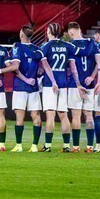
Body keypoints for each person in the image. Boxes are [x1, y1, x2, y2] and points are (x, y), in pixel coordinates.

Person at [38, 22, 80, 152]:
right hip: (64, 83)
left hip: (50, 85)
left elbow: (46, 66)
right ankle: (67, 146)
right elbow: (73, 67)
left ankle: (48, 146)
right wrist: (77, 83)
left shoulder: (45, 46)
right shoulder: (68, 46)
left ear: (49, 32)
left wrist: (53, 81)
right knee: (63, 115)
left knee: (50, 115)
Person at [4, 25, 42, 152]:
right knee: (35, 115)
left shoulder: (17, 48)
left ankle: (19, 145)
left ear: (21, 35)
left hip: (21, 86)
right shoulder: (37, 49)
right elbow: (41, 70)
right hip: (34, 87)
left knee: (19, 116)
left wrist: (25, 79)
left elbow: (15, 68)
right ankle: (34, 146)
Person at [67, 21, 100, 153]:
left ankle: (75, 146)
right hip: (90, 85)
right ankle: (90, 146)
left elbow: (73, 66)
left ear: (71, 32)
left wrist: (78, 85)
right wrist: (92, 77)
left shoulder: (71, 46)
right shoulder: (91, 44)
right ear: (80, 29)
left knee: (76, 115)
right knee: (89, 115)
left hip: (76, 85)